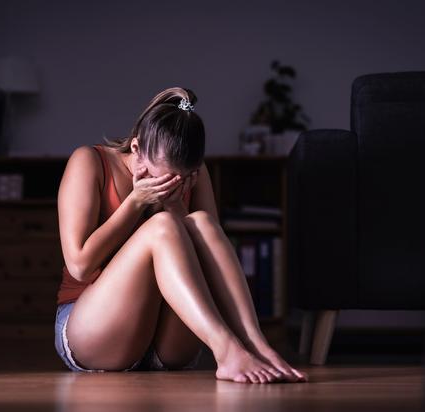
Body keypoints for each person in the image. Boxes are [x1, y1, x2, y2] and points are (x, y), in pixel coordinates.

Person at [54, 86, 308, 384]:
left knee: (201, 223)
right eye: (156, 177)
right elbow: (80, 266)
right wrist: (135, 202)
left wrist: (175, 205)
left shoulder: (193, 175)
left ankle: (257, 346)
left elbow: (211, 263)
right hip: (94, 333)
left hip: (166, 345)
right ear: (136, 149)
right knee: (163, 227)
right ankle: (226, 352)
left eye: (179, 180)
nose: (170, 185)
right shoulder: (90, 162)